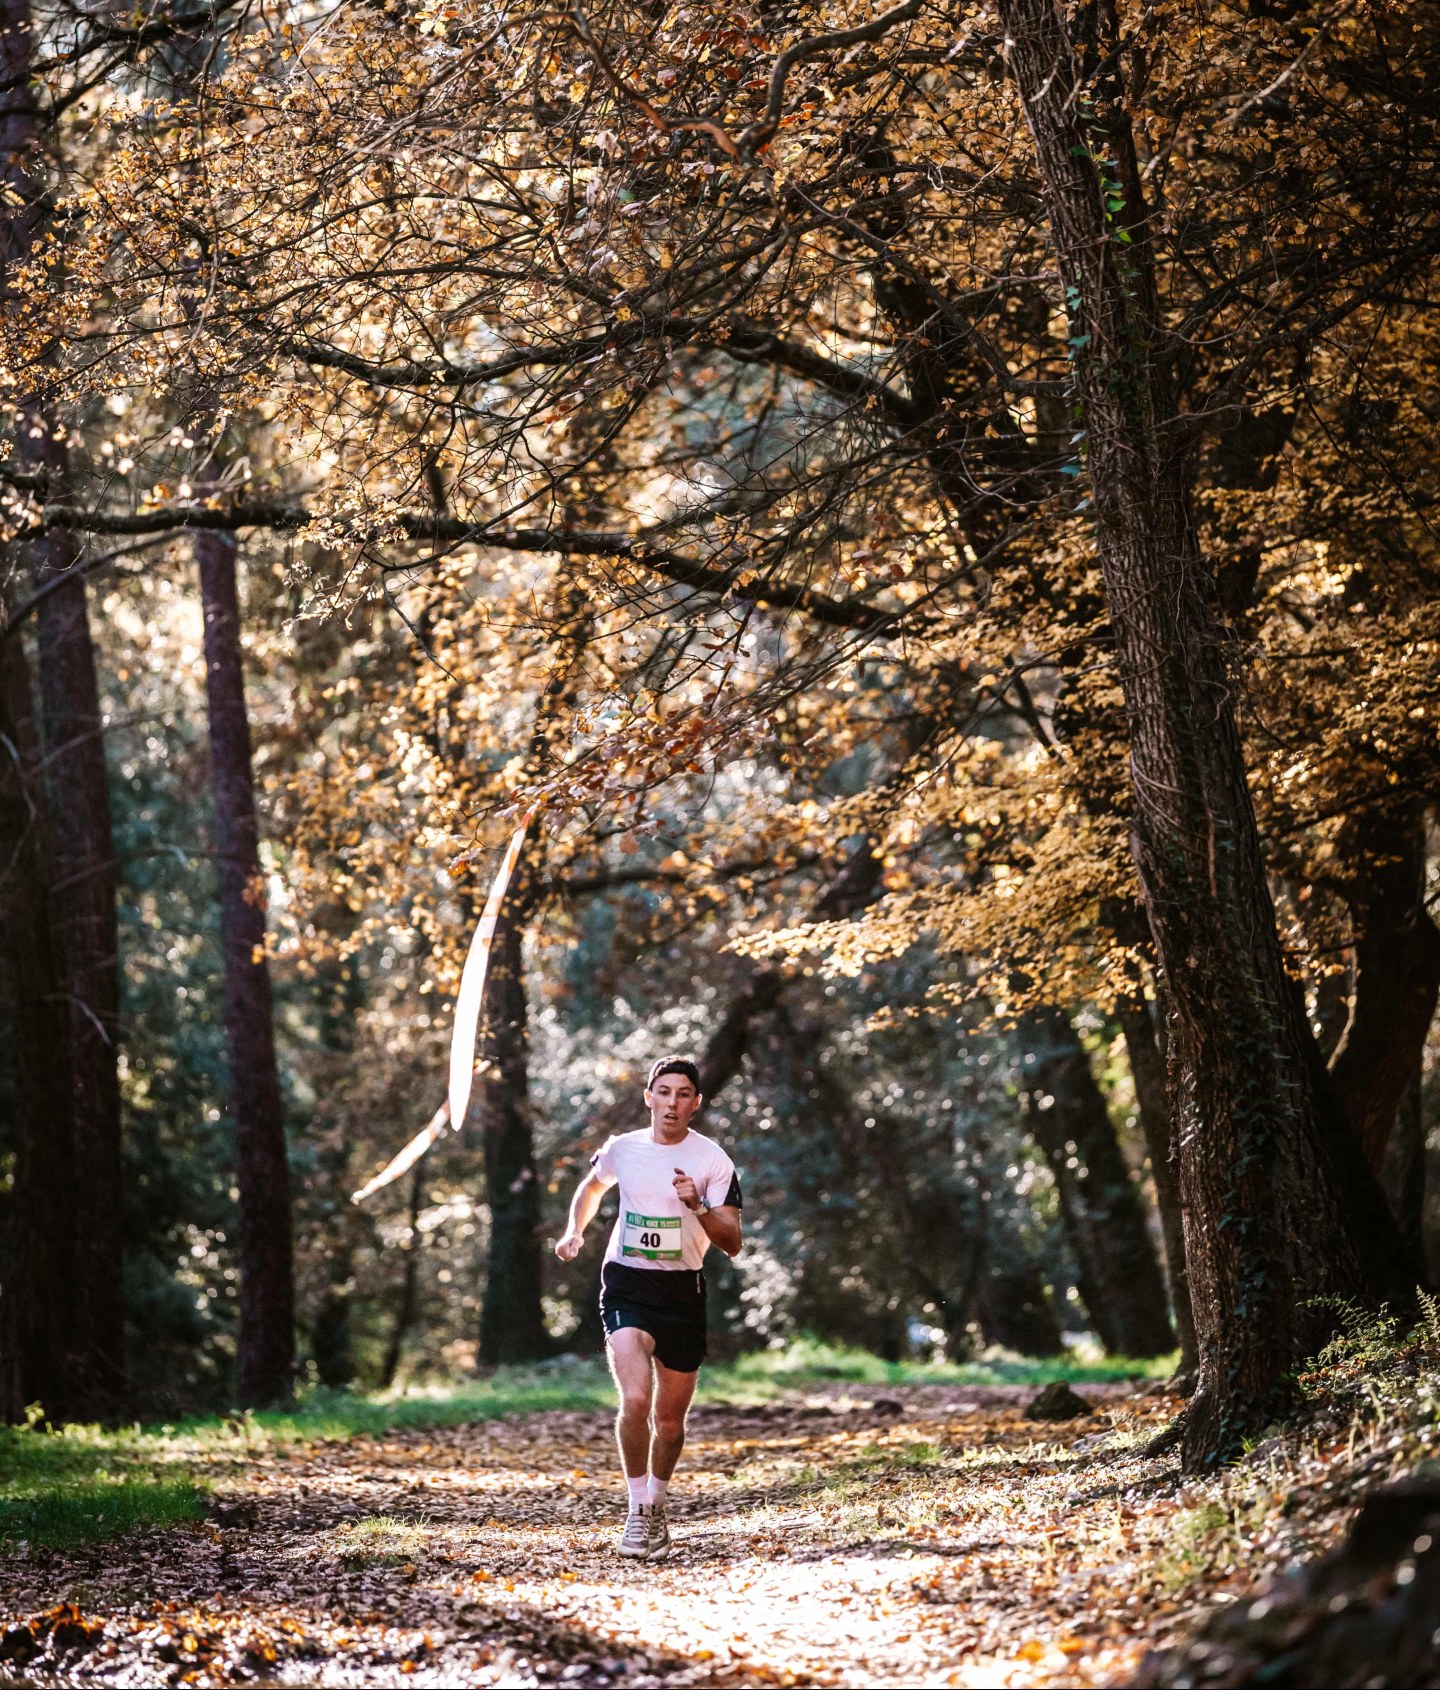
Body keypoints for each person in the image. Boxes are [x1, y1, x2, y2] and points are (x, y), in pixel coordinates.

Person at [554, 1055, 742, 1561]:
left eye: (684, 1094)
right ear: (649, 1097)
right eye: (664, 1091)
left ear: (696, 1103)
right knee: (635, 1401)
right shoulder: (623, 1149)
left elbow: (733, 1243)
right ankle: (638, 1509)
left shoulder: (713, 1162)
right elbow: (591, 1187)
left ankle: (658, 1503)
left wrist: (697, 1207)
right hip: (626, 1284)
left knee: (670, 1422)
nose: (672, 1102)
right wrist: (575, 1230)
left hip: (683, 1292)